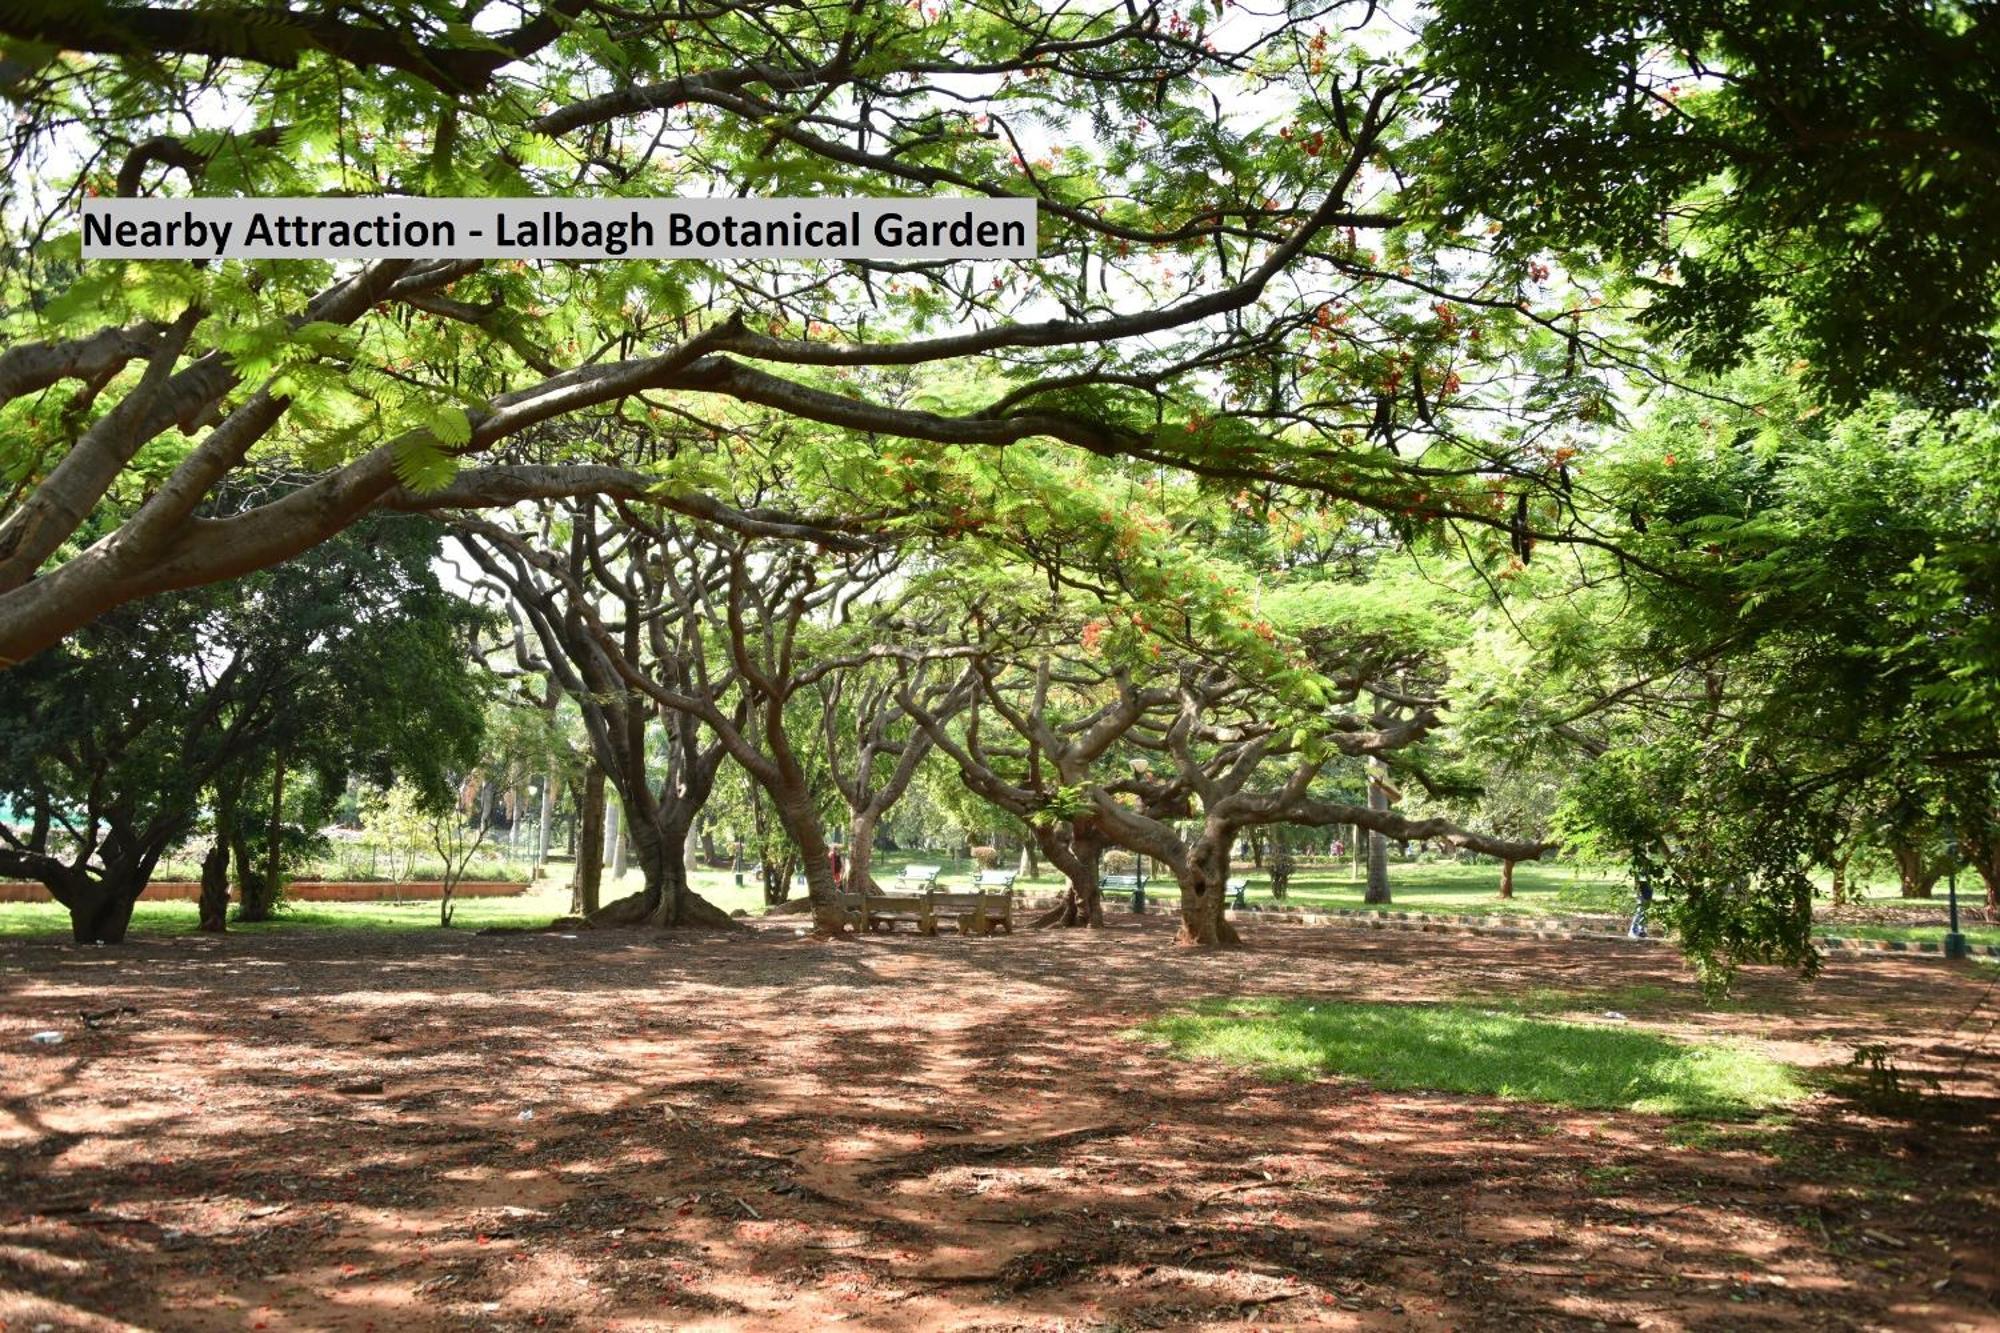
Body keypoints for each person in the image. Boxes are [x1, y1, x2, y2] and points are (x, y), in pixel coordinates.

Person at [1628, 872, 1654, 939]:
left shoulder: (1649, 869)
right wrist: (1638, 894)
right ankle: (1633, 931)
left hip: (1648, 893)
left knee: (1645, 913)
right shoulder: (1639, 869)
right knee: (1639, 913)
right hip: (1642, 894)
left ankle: (1641, 932)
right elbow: (1636, 883)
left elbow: (1651, 881)